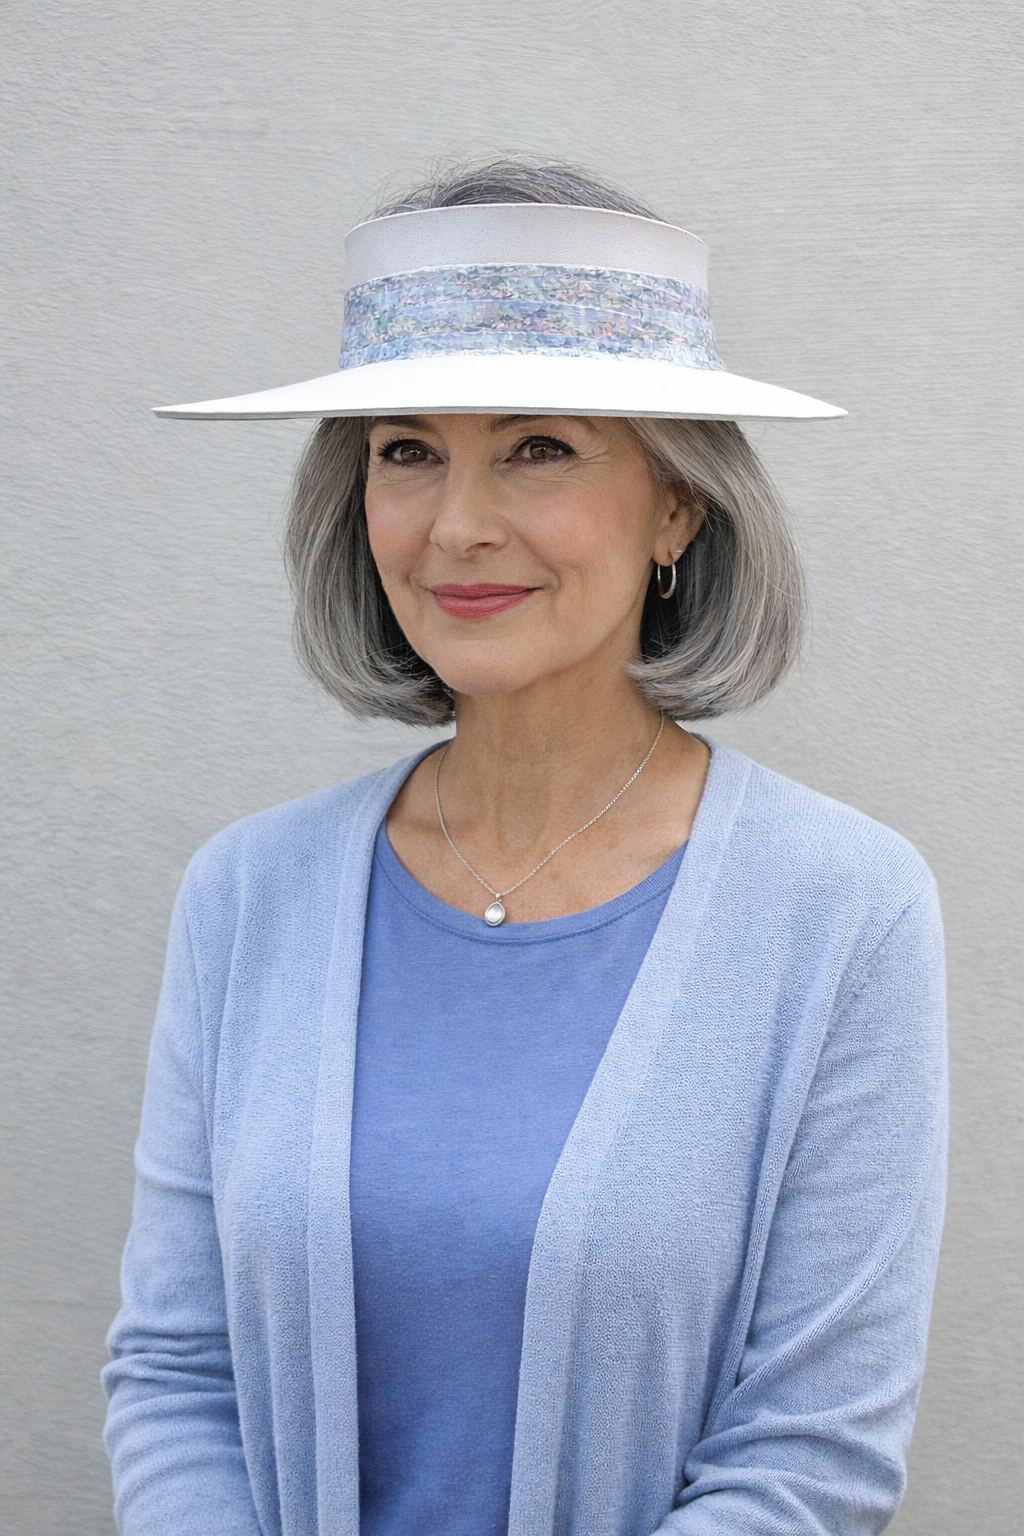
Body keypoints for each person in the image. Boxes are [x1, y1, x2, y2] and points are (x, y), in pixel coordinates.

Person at [102, 162, 947, 1536]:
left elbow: (808, 1460)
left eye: (538, 446)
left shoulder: (844, 911)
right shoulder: (248, 894)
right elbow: (178, 1373)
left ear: (678, 504)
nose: (457, 527)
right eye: (407, 450)